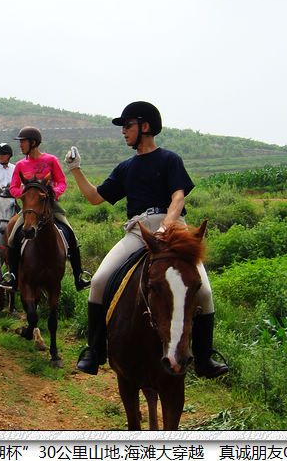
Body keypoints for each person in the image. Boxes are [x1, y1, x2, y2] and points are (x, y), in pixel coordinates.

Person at [65, 101, 229, 378]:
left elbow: (178, 197)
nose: (123, 132)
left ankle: (204, 358)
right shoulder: (125, 167)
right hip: (138, 232)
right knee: (100, 281)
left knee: (205, 292)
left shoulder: (169, 159)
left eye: (127, 125)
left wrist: (167, 225)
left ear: (145, 126)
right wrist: (76, 169)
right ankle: (95, 351)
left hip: (174, 231)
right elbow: (94, 198)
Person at [0, 126, 92, 291]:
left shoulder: (50, 160)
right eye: (20, 142)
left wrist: (53, 194)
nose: (20, 145)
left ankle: (79, 276)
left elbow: (62, 182)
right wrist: (26, 195)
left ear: (33, 143)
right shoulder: (21, 165)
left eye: (23, 142)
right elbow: (13, 187)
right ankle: (12, 276)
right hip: (30, 208)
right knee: (13, 238)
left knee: (71, 235)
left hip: (51, 206)